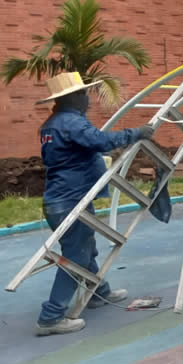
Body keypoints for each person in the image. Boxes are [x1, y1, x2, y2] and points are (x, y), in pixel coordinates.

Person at [35, 72, 154, 336]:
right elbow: (100, 142)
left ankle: (99, 292)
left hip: (64, 197)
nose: (87, 99)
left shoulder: (52, 124)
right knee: (76, 257)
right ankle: (51, 316)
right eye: (83, 94)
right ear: (72, 97)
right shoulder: (70, 123)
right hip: (70, 199)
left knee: (85, 249)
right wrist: (136, 133)